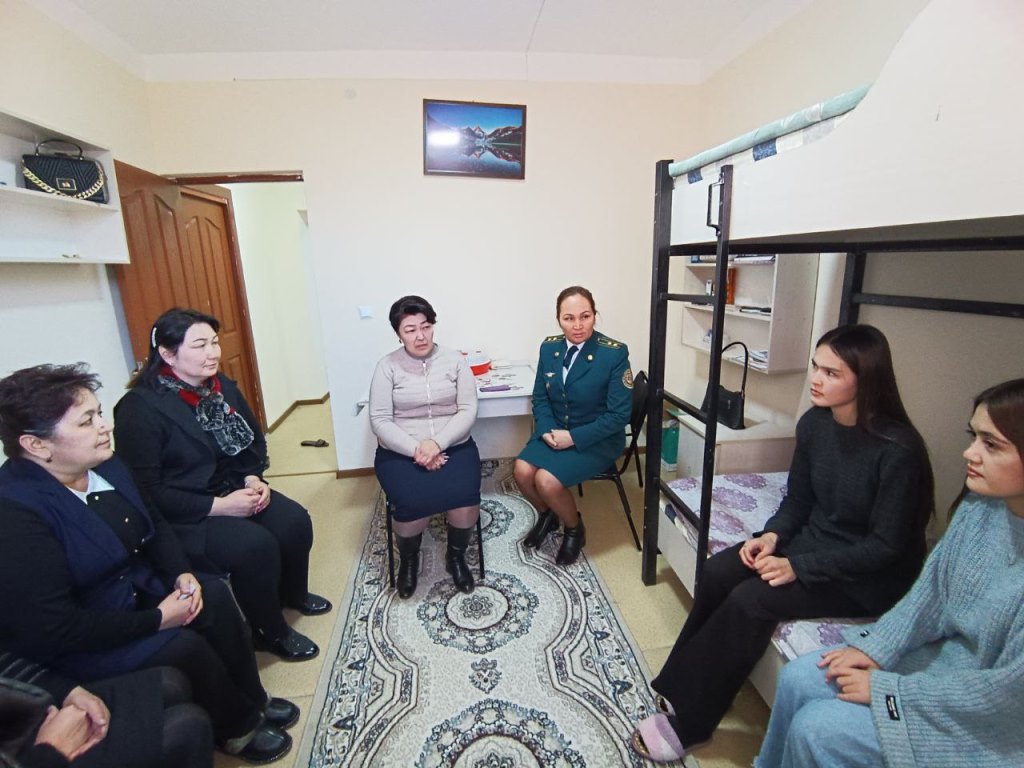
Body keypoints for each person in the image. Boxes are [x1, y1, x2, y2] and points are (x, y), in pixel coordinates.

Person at [632, 324, 935, 762]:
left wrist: (798, 567)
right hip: (817, 542)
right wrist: (771, 536)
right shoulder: (815, 424)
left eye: (831, 373)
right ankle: (681, 684)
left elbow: (885, 548)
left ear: (866, 380)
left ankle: (692, 722)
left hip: (869, 575)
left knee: (751, 601)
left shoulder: (898, 451)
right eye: (816, 367)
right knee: (719, 570)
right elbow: (799, 499)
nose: (816, 379)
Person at [0, 364, 296, 764]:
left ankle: (254, 699)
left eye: (99, 413)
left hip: (137, 590)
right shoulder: (16, 513)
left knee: (214, 597)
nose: (104, 427)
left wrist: (180, 574)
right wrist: (158, 619)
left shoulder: (106, 465)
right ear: (36, 445)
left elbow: (154, 523)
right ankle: (237, 727)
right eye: (87, 421)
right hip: (85, 634)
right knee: (184, 646)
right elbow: (57, 627)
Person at [755, 377, 1024, 767]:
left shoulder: (897, 450)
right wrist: (877, 647)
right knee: (799, 677)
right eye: (975, 437)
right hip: (947, 665)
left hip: (990, 716)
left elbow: (1009, 698)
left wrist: (891, 691)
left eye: (992, 445)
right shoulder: (981, 509)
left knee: (817, 730)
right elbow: (930, 595)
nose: (969, 453)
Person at [113, 307, 331, 662]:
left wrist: (254, 478)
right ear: (167, 354)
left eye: (214, 342)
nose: (213, 352)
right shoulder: (139, 409)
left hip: (232, 485)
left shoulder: (219, 387)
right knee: (254, 547)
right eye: (199, 345)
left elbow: (253, 441)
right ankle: (269, 631)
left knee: (294, 521)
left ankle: (293, 594)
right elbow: (147, 492)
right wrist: (221, 507)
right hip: (185, 511)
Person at [369, 295, 481, 598]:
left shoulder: (455, 360)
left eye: (426, 326)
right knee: (412, 502)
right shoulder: (387, 367)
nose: (420, 336)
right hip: (401, 452)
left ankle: (456, 557)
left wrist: (437, 443)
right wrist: (418, 450)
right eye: (410, 330)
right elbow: (380, 420)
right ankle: (409, 560)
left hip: (453, 446)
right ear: (398, 333)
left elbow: (468, 409)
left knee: (465, 498)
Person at [514, 285, 633, 565]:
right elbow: (541, 398)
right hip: (555, 430)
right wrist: (546, 431)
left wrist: (573, 437)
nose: (578, 325)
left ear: (595, 315)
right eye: (569, 318)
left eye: (585, 316)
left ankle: (574, 528)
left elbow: (619, 416)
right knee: (521, 471)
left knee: (546, 480)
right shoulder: (549, 348)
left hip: (597, 438)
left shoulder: (613, 354)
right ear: (558, 319)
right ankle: (549, 515)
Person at [0, 654, 212, 768]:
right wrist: (51, 751)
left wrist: (68, 691)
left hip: (21, 715)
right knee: (190, 726)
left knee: (171, 684)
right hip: (35, 758)